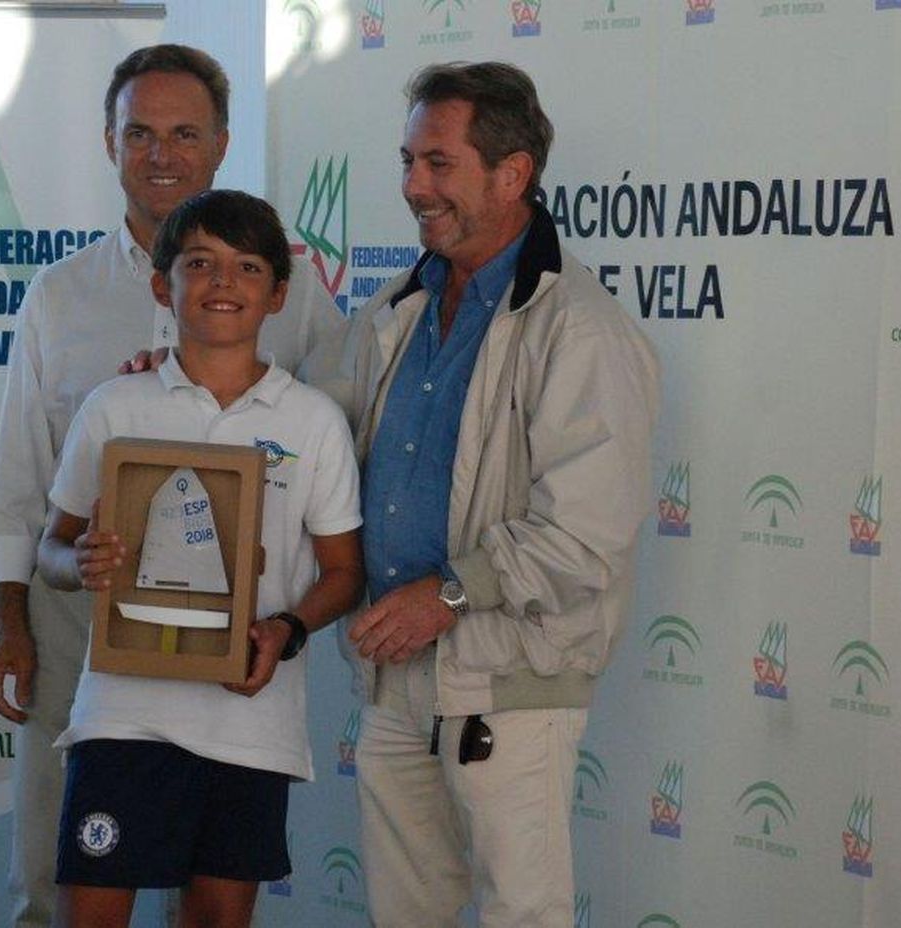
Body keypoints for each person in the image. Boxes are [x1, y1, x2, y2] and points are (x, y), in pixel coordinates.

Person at [0, 44, 343, 928]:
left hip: (233, 650)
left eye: (184, 133)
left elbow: (333, 461)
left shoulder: (295, 294)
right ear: (110, 142)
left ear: (221, 144)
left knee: (210, 900)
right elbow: (21, 483)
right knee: (51, 880)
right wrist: (10, 624)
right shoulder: (58, 297)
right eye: (139, 133)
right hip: (82, 640)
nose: (162, 154)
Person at [334, 61, 660, 927]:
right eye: (407, 160)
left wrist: (445, 595)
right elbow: (300, 430)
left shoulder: (580, 328)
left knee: (522, 918)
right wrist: (179, 379)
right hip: (393, 680)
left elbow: (586, 538)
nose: (412, 186)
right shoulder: (393, 310)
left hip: (506, 689)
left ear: (512, 175)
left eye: (437, 163)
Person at [37, 189, 362, 928]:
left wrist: (286, 630)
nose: (223, 283)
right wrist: (78, 559)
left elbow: (344, 572)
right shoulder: (115, 404)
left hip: (250, 727)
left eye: (247, 267)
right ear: (163, 284)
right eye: (200, 263)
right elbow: (53, 550)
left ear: (279, 294)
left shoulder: (312, 421)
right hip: (123, 719)